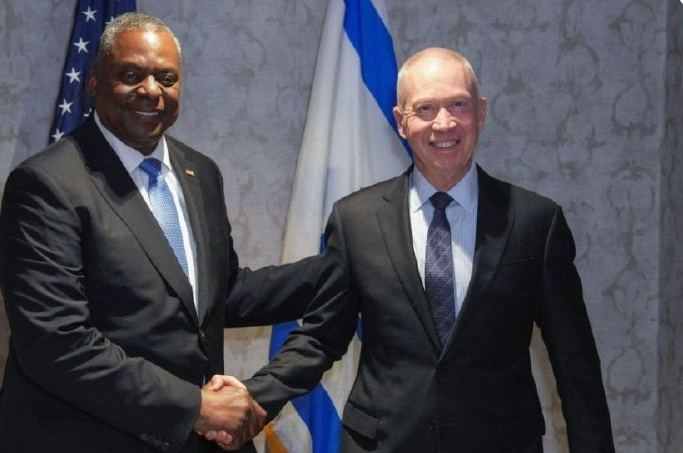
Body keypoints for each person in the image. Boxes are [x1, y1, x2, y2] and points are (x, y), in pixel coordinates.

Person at [233, 48, 615, 452]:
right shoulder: (357, 220)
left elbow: (575, 363)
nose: (444, 123)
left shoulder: (535, 222)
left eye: (458, 105)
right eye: (426, 108)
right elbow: (322, 336)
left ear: (481, 112)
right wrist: (253, 397)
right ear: (401, 122)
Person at [0, 12, 321, 453]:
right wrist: (195, 407)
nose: (151, 91)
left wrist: (342, 266)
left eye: (166, 78)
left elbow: (217, 295)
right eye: (131, 75)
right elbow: (56, 343)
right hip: (86, 439)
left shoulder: (199, 172)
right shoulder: (47, 184)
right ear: (94, 82)